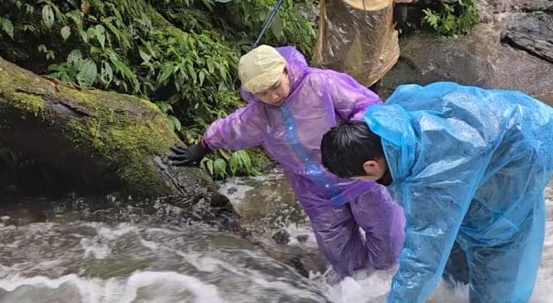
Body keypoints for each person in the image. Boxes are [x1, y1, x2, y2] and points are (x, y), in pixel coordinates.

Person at [320, 82, 553, 303]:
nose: (365, 182)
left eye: (359, 177)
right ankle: (464, 292)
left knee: (497, 238)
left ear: (371, 165)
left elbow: (424, 254)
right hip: (498, 123)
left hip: (527, 145)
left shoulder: (433, 178)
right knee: (456, 247)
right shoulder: (389, 123)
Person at [167, 45, 405, 280]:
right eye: (262, 93)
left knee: (387, 242)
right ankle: (361, 297)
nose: (273, 97)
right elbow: (232, 128)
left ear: (285, 69)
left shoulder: (321, 84)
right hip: (314, 192)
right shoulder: (260, 113)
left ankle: (390, 291)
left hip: (358, 175)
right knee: (342, 256)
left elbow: (367, 105)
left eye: (275, 86)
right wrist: (202, 147)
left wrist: (355, 137)